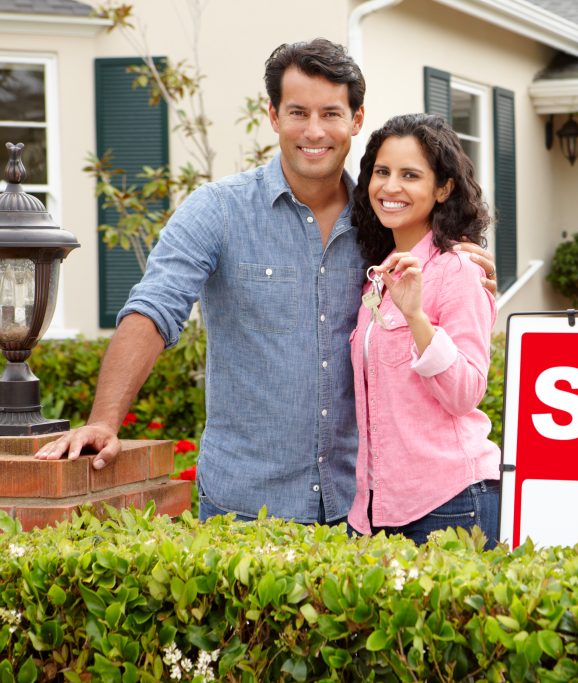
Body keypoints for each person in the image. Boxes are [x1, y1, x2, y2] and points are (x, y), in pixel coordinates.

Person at [33, 39, 496, 526]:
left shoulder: (383, 223)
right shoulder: (219, 211)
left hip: (358, 510)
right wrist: (105, 420)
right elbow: (154, 308)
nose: (314, 131)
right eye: (298, 112)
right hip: (246, 506)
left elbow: (442, 289)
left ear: (356, 120)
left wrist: (462, 263)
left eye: (331, 113)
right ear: (273, 115)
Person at [347, 114, 500, 547]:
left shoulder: (460, 270)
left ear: (443, 188)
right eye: (382, 172)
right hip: (377, 510)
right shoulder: (376, 276)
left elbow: (465, 392)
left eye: (410, 175)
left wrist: (417, 318)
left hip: (451, 502)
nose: (390, 187)